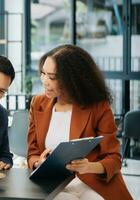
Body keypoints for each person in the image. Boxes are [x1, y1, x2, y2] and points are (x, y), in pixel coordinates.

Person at [27, 44, 132, 200]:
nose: (44, 81)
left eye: (52, 76)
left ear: (72, 80)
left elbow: (114, 159)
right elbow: (32, 153)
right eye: (43, 73)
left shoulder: (98, 106)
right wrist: (39, 163)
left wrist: (89, 166)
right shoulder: (38, 103)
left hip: (92, 182)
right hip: (54, 184)